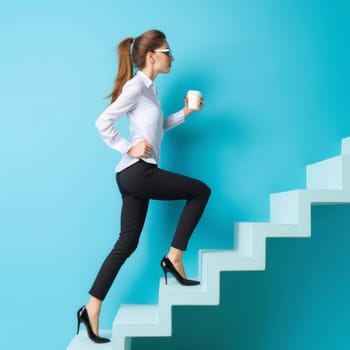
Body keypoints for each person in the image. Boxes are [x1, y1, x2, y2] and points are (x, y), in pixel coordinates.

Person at [76, 29, 211, 344]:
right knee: (200, 191)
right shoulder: (136, 86)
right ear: (152, 56)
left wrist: (186, 112)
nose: (172, 57)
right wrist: (128, 147)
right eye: (168, 51)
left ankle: (90, 308)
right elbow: (103, 122)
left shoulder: (149, 91)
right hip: (137, 171)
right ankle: (174, 258)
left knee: (127, 244)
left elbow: (157, 127)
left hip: (131, 176)